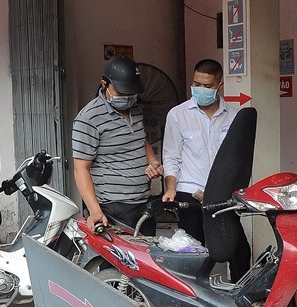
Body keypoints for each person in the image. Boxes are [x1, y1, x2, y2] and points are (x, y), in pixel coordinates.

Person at [161, 58, 251, 281]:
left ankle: (241, 301)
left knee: (239, 251)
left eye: (207, 86)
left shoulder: (233, 116)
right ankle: (195, 301)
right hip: (190, 193)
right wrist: (171, 188)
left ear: (220, 86)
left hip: (222, 196)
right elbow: (171, 156)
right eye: (196, 84)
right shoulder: (177, 114)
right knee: (194, 252)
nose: (200, 90)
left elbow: (239, 159)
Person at [72, 55, 163, 235]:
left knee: (147, 257)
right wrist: (95, 210)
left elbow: (140, 139)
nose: (128, 98)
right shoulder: (88, 118)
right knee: (119, 261)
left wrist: (152, 161)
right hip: (113, 208)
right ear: (104, 84)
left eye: (132, 93)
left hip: (143, 202)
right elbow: (80, 168)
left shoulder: (136, 109)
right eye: (122, 93)